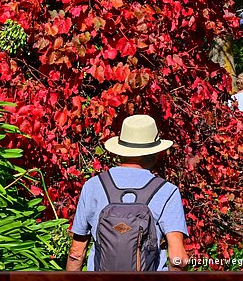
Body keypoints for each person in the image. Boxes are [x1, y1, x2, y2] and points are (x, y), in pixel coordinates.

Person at [66, 114, 189, 271]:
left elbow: (76, 252)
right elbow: (177, 257)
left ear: (121, 150)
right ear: (154, 152)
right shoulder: (167, 192)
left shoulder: (93, 186)